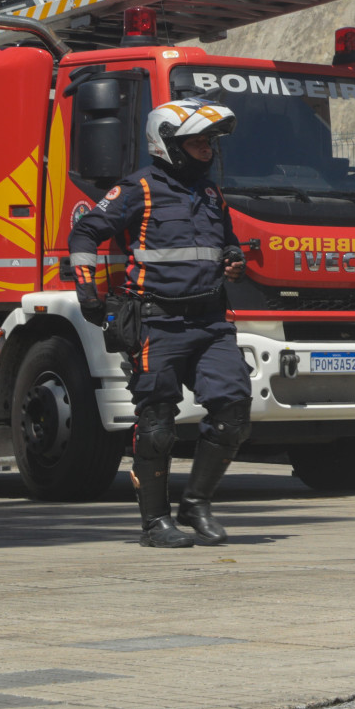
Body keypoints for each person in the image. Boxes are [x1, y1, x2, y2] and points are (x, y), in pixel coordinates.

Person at [70, 99, 250, 548]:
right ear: (168, 144)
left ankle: (196, 503)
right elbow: (85, 231)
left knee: (234, 413)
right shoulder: (139, 189)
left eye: (210, 142)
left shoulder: (212, 194)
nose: (207, 149)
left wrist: (234, 261)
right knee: (156, 425)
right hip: (157, 322)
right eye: (197, 141)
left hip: (211, 322)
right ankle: (155, 523)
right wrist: (86, 287)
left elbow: (228, 247)